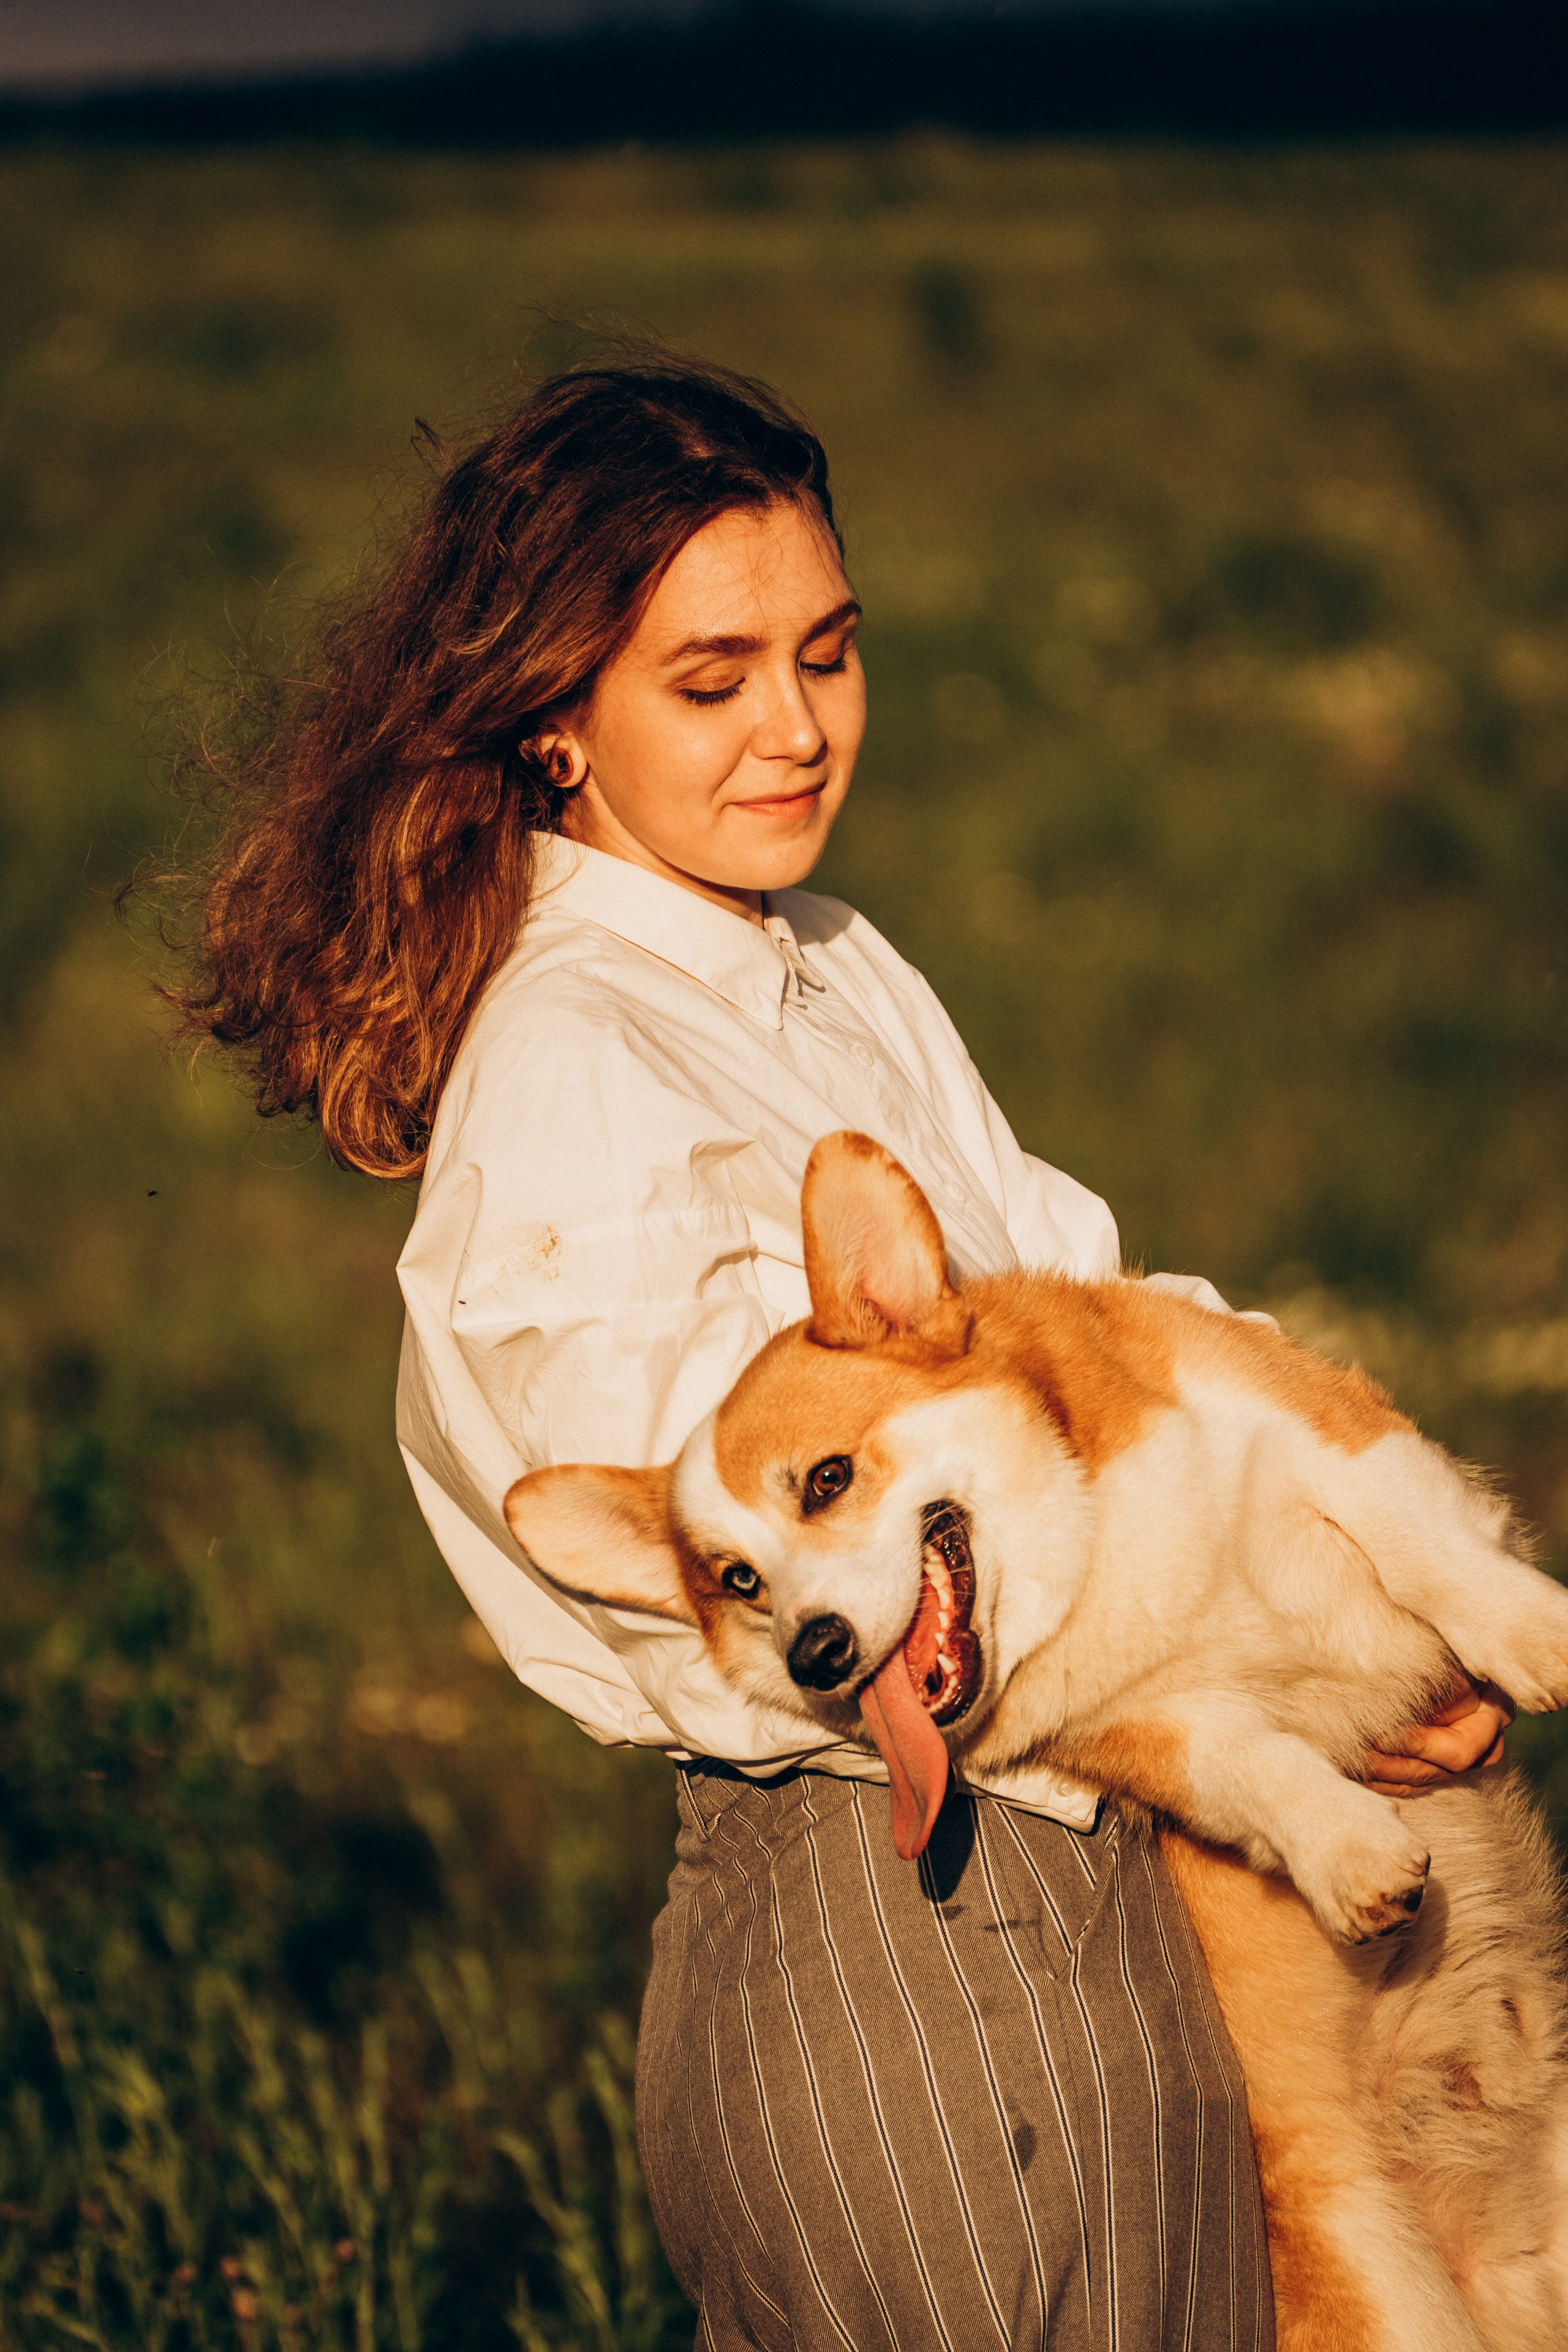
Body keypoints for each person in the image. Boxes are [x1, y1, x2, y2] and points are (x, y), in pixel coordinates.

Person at [172, 354, 1510, 2351]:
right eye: (710, 685)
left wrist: (1376, 1585)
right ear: (553, 719)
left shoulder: (821, 962)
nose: (794, 733)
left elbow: (1099, 1332)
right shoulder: (577, 1066)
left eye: (828, 654)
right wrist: (1310, 1669)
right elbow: (794, 1604)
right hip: (898, 1927)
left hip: (1086, 1887)